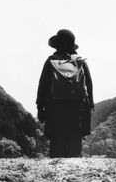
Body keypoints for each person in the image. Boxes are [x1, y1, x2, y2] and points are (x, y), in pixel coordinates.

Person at [36, 29, 94, 158]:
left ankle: (56, 174)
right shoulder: (80, 62)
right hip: (78, 108)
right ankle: (76, 173)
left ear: (57, 45)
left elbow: (43, 85)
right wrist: (89, 107)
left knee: (57, 146)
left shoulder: (51, 61)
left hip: (55, 109)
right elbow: (89, 86)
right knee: (75, 146)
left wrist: (40, 107)